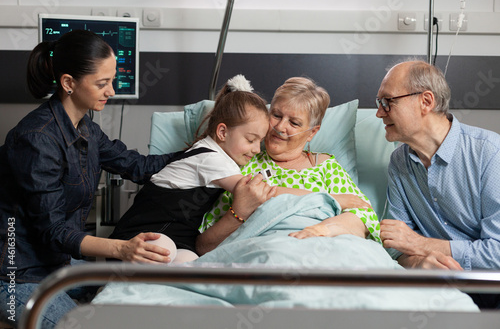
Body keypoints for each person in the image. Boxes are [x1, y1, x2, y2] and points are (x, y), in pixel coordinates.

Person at [0, 30, 181, 328]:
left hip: (56, 263)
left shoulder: (86, 128)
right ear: (69, 83)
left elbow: (137, 166)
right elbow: (53, 230)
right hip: (18, 273)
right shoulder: (35, 138)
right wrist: (123, 248)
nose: (112, 91)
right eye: (102, 83)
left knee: (134, 289)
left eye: (112, 80)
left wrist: (202, 150)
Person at [197, 77, 381, 255]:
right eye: (276, 115)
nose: (280, 126)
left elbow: (364, 218)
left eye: (294, 122)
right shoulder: (242, 162)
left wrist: (320, 230)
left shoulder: (325, 167)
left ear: (312, 133)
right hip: (261, 251)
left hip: (322, 250)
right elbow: (205, 246)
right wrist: (238, 213)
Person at [376, 60, 500, 309]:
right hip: (432, 286)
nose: (379, 112)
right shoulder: (399, 163)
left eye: (388, 102)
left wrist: (420, 244)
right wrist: (418, 264)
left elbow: (497, 254)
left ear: (426, 101)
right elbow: (394, 246)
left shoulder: (489, 153)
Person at [109, 75, 271, 261]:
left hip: (179, 239)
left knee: (191, 265)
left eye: (260, 141)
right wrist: (308, 193)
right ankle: (109, 284)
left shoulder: (221, 157)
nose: (257, 149)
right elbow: (253, 190)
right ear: (223, 132)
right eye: (251, 140)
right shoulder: (210, 158)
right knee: (164, 249)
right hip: (141, 235)